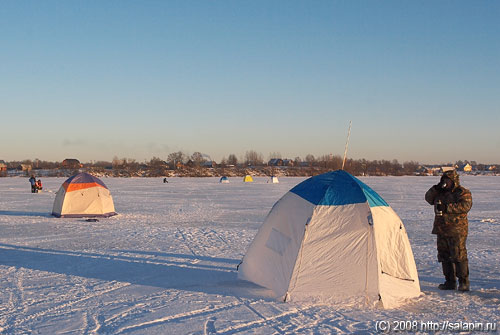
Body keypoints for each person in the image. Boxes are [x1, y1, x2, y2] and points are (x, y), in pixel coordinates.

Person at [425, 170, 472, 291]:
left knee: (458, 255)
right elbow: (428, 198)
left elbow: (465, 206)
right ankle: (449, 282)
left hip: (457, 230)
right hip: (441, 229)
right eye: (444, 180)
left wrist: (447, 208)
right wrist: (436, 188)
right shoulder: (440, 192)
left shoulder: (462, 192)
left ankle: (463, 282)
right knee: (444, 256)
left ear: (454, 181)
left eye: (448, 180)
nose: (446, 182)